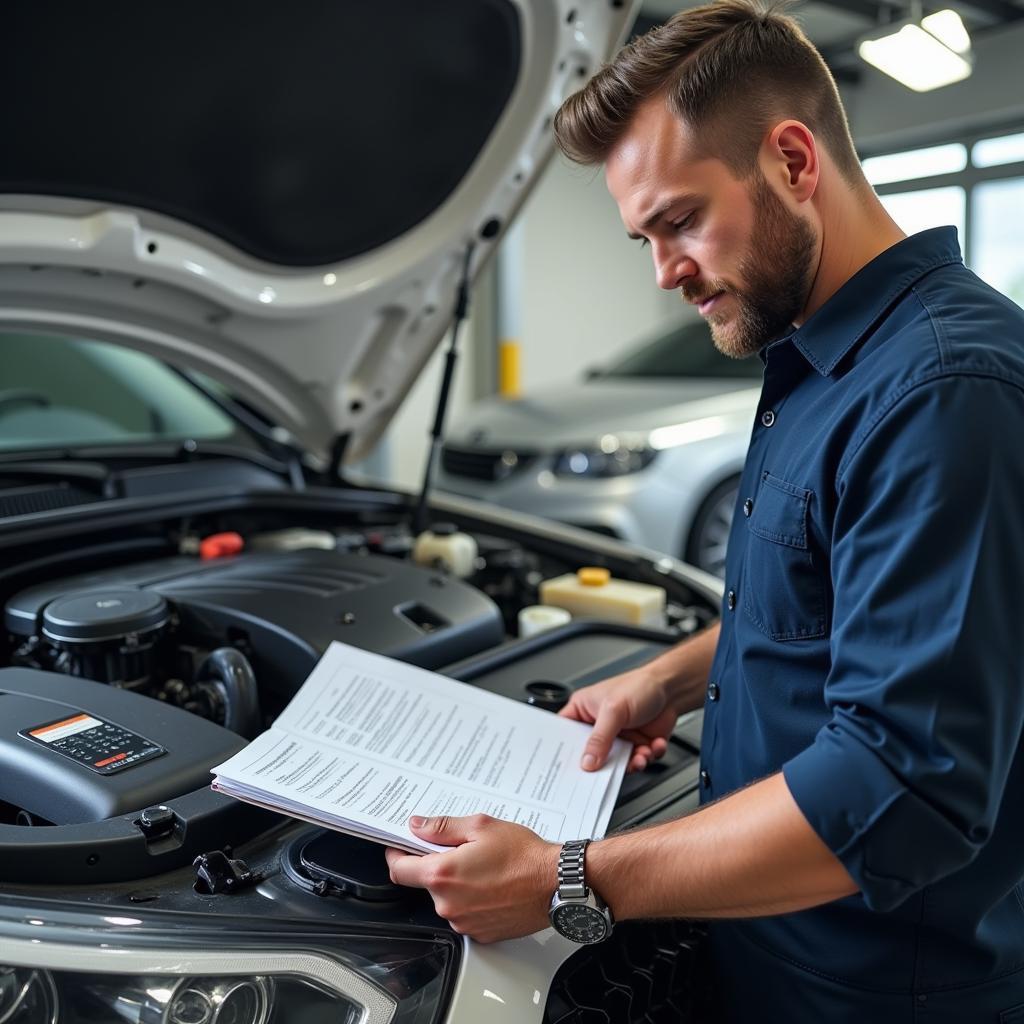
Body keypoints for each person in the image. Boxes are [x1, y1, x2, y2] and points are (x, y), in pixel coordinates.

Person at [385, 1, 1024, 1018]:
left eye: (680, 220)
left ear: (791, 161)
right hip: (762, 948)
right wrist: (673, 678)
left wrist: (569, 875)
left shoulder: (942, 389)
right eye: (644, 235)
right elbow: (835, 600)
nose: (665, 272)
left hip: (868, 989)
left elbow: (902, 791)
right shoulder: (815, 353)